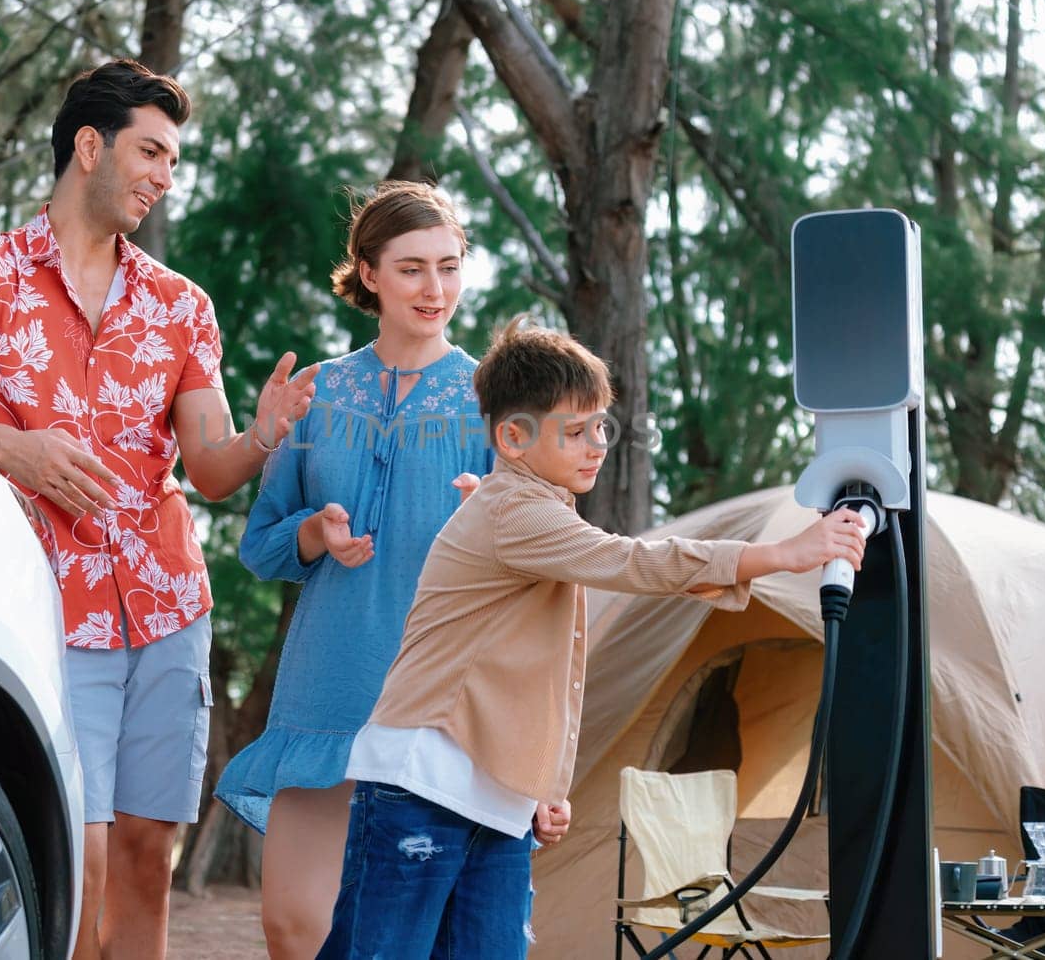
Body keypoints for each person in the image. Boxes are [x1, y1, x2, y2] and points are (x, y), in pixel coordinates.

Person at [0, 59, 318, 960]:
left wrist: (265, 435)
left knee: (150, 853)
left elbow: (211, 464)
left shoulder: (180, 306)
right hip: (42, 609)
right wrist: (10, 447)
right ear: (89, 145)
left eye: (173, 160)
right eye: (151, 151)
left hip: (166, 607)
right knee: (79, 858)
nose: (164, 174)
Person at [316, 320, 868, 959]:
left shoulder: (539, 514)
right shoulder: (512, 512)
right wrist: (782, 552)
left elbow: (541, 673)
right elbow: (635, 561)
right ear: (513, 438)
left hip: (495, 803)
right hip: (423, 785)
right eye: (576, 432)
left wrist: (539, 787)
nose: (597, 444)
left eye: (601, 425)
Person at [214, 181, 492, 958]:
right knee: (296, 923)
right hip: (328, 685)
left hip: (438, 697)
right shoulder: (323, 390)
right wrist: (315, 531)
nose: (434, 289)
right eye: (411, 269)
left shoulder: (490, 395)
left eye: (449, 265)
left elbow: (539, 552)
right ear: (368, 272)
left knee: (419, 936)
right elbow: (262, 542)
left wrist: (488, 517)